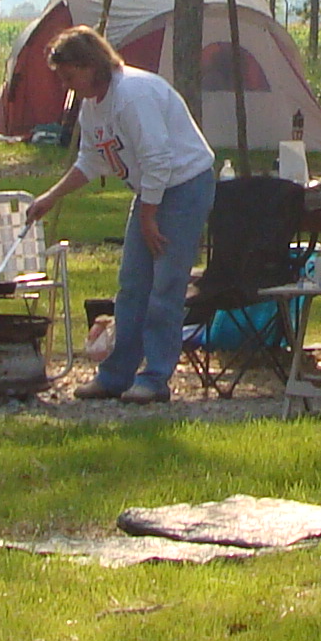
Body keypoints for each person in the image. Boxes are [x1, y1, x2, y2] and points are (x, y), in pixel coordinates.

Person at [26, 24, 216, 403]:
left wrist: (148, 217)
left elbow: (158, 158)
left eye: (70, 76)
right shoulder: (93, 107)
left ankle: (155, 377)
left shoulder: (132, 94)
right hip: (150, 189)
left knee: (165, 286)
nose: (67, 85)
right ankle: (115, 374)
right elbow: (93, 159)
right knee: (132, 284)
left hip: (183, 185)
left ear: (91, 64)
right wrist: (51, 197)